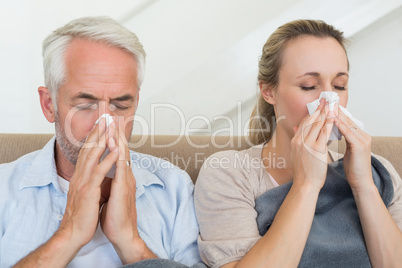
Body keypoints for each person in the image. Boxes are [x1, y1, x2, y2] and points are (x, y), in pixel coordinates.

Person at [194, 19, 402, 268]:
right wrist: (307, 185)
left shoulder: (380, 172)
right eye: (309, 86)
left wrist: (363, 185)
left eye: (339, 86)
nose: (328, 101)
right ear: (269, 91)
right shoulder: (229, 172)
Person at [0, 16, 202, 267]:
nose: (104, 122)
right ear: (49, 104)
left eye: (120, 105)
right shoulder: (4, 190)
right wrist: (69, 234)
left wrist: (130, 241)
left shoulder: (174, 188)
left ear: (136, 103)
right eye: (85, 105)